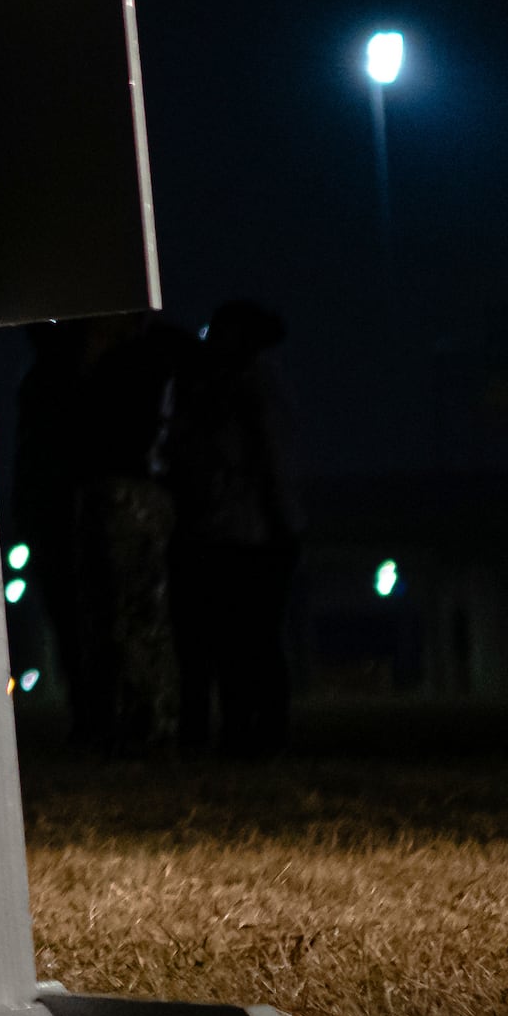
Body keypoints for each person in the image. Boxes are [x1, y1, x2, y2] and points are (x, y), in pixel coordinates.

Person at [167, 299, 302, 756]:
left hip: (220, 533)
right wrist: (287, 524)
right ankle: (256, 735)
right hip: (248, 534)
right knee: (254, 641)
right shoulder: (255, 384)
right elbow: (276, 460)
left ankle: (227, 735)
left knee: (221, 644)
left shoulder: (203, 387)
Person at [49, 311, 186, 753]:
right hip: (127, 489)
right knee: (120, 614)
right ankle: (135, 720)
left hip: (123, 490)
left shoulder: (127, 367)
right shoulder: (148, 361)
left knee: (128, 613)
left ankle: (142, 722)